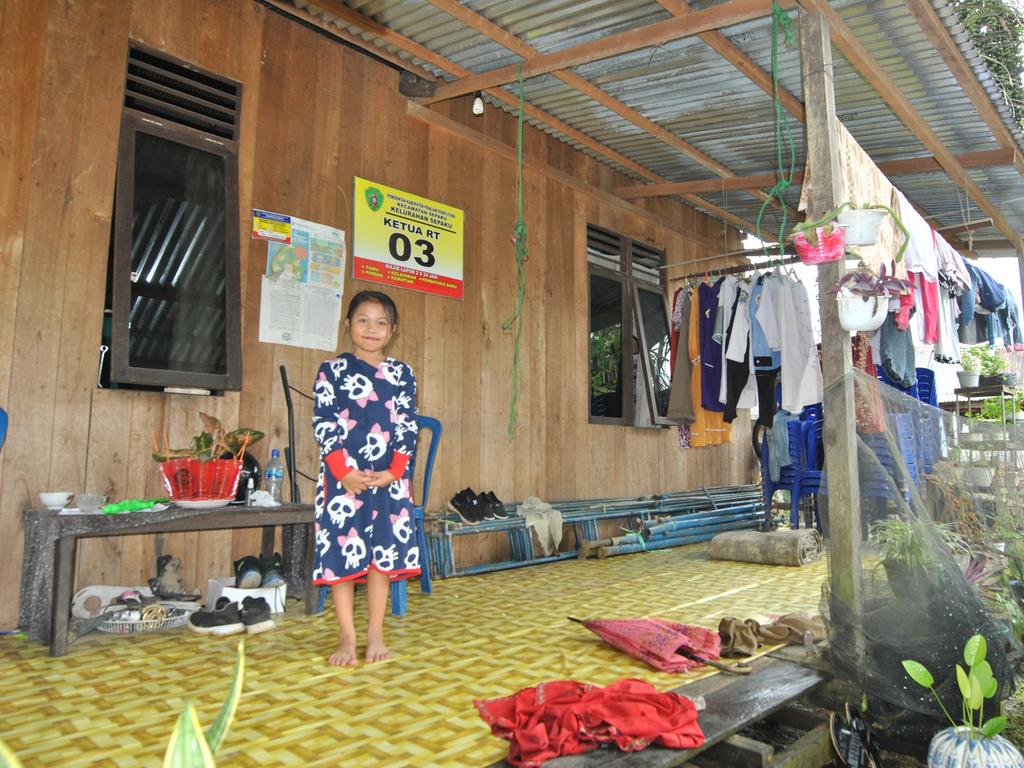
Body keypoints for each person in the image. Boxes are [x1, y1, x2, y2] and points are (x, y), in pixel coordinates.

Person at [312, 290, 419, 665]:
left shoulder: (402, 374)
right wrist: (343, 473)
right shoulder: (331, 371)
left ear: (392, 331)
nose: (371, 329)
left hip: (388, 480)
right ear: (348, 325)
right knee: (342, 556)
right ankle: (346, 636)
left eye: (381, 322)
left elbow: (407, 424)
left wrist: (396, 470)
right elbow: (324, 423)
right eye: (362, 320)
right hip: (343, 480)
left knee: (381, 560)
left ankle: (375, 634)